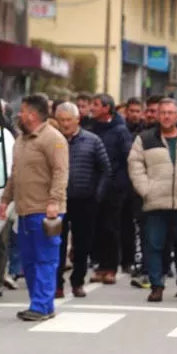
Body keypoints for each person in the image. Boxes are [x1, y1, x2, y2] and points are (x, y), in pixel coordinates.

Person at [127, 98, 177, 303]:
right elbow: (135, 165)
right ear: (157, 115)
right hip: (155, 201)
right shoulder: (145, 139)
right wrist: (146, 189)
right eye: (163, 112)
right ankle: (157, 285)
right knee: (154, 245)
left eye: (171, 113)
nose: (166, 116)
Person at [0, 94, 69, 322]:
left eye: (24, 110)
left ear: (34, 114)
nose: (20, 114)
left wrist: (54, 202)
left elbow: (60, 172)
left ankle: (42, 305)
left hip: (45, 210)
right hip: (25, 209)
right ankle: (38, 303)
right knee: (28, 260)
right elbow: (15, 174)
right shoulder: (21, 140)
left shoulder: (53, 139)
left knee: (46, 259)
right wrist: (5, 199)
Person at [54, 102, 110, 298]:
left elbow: (105, 169)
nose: (65, 124)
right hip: (59, 200)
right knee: (57, 244)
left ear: (77, 120)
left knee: (82, 244)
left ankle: (78, 281)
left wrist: (98, 195)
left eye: (69, 120)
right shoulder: (53, 140)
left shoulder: (92, 140)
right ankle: (57, 284)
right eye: (61, 120)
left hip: (85, 201)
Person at [89, 93, 132, 285]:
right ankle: (100, 265)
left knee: (111, 227)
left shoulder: (120, 131)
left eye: (96, 105)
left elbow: (126, 159)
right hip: (94, 186)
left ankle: (111, 267)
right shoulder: (92, 128)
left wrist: (119, 183)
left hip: (114, 188)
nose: (92, 108)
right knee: (97, 227)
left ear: (107, 108)